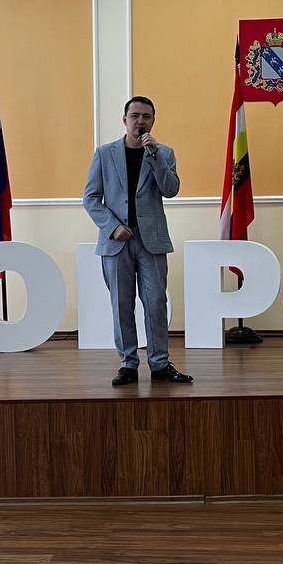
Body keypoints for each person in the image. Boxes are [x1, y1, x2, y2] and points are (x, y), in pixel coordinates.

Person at [82, 97, 193, 387]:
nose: (140, 121)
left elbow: (170, 189)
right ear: (125, 120)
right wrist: (112, 227)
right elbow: (90, 198)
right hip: (116, 241)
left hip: (151, 240)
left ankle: (160, 364)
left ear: (153, 120)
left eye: (146, 116)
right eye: (134, 116)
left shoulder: (163, 153)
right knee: (121, 304)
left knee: (155, 302)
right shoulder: (104, 154)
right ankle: (128, 364)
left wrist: (154, 156)